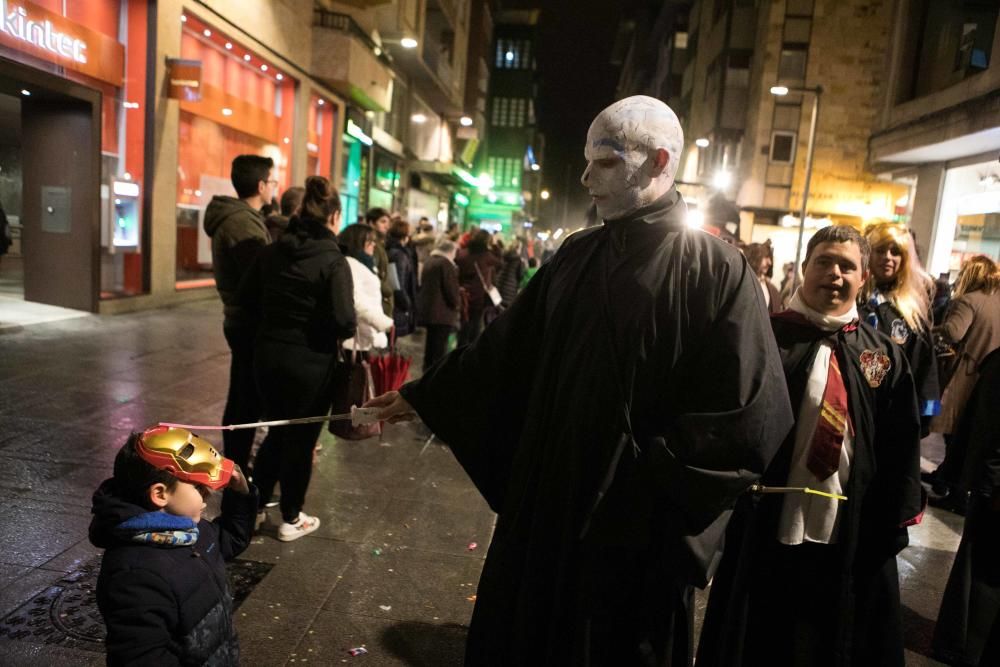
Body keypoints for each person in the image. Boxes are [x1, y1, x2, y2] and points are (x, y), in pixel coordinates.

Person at [366, 95, 793, 665]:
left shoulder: (716, 270)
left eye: (607, 162)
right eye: (587, 160)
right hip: (549, 507)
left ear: (659, 161)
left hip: (634, 533)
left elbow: (746, 412)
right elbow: (505, 349)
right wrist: (426, 396)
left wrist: (648, 486)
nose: (588, 176)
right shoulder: (576, 254)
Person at [697, 225, 924, 667]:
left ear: (863, 279)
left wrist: (890, 520)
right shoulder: (763, 338)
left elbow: (901, 446)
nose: (834, 273)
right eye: (824, 261)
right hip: (765, 526)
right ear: (804, 268)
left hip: (847, 532)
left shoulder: (883, 356)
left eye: (847, 266)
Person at [239, 176, 356, 541]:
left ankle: (255, 508)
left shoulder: (272, 250)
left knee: (275, 430)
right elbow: (344, 322)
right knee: (301, 440)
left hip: (267, 357)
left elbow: (246, 298)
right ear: (333, 216)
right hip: (310, 365)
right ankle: (291, 516)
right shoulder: (333, 260)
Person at [90, 427, 256, 665]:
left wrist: (241, 494)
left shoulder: (189, 531)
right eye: (198, 487)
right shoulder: (135, 575)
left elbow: (230, 538)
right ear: (160, 494)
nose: (207, 494)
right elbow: (141, 657)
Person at [203, 155, 276, 473]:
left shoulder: (245, 218)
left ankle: (234, 464)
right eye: (272, 181)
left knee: (244, 395)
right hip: (248, 320)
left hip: (242, 318)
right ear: (261, 185)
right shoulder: (242, 223)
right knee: (245, 400)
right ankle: (235, 469)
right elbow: (257, 277)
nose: (275, 187)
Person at [931, 347, 1000, 666]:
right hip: (993, 485)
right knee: (982, 571)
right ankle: (962, 647)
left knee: (980, 570)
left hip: (992, 482)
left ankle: (958, 645)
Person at [927, 255, 1000, 507]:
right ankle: (950, 481)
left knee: (954, 435)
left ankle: (955, 490)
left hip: (966, 375)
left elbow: (954, 331)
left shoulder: (968, 301)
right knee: (977, 439)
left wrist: (932, 329)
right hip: (991, 379)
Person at [859, 222, 940, 436]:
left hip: (892, 420)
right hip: (849, 412)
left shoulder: (911, 313)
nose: (887, 257)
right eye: (880, 250)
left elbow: (924, 367)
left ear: (904, 259)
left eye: (895, 252)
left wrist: (921, 420)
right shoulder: (852, 302)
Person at [339, 223, 394, 354]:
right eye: (370, 241)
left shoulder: (365, 263)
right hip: (356, 340)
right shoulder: (351, 264)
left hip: (365, 337)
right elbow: (355, 300)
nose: (374, 245)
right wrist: (383, 322)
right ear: (358, 242)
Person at [417, 238, 461, 371]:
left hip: (430, 310)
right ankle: (433, 377)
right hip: (442, 313)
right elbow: (451, 291)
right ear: (450, 251)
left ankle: (426, 372)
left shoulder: (430, 260)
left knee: (430, 347)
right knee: (438, 350)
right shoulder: (445, 264)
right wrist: (457, 304)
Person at [455, 230, 501, 346]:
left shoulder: (462, 253)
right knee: (475, 327)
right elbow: (500, 263)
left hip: (464, 295)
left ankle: (460, 349)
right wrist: (495, 245)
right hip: (479, 296)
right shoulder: (487, 256)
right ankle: (470, 352)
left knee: (464, 325)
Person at [386, 219, 418, 337]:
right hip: (397, 307)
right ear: (405, 236)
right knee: (390, 343)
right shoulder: (400, 255)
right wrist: (407, 304)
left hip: (392, 304)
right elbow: (397, 284)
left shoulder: (389, 249)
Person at [365, 207, 394, 317]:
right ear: (371, 223)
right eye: (383, 222)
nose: (387, 226)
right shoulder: (372, 246)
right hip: (378, 306)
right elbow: (372, 273)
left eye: (388, 222)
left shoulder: (380, 245)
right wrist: (387, 290)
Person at [744, 241, 781, 314]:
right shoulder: (741, 283)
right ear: (754, 257)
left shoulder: (773, 290)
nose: (770, 263)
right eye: (766, 257)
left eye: (770, 258)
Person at [496, 237, 525, 308]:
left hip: (499, 283)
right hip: (510, 289)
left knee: (497, 308)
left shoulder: (504, 255)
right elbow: (520, 275)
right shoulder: (518, 260)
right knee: (505, 310)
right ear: (517, 248)